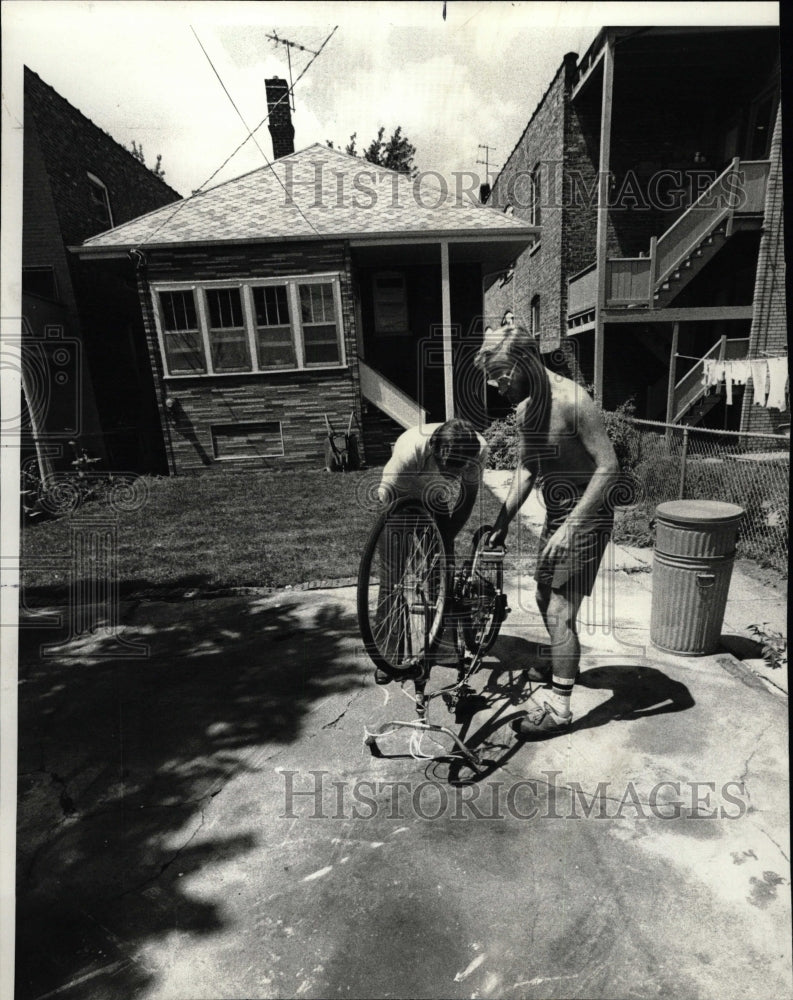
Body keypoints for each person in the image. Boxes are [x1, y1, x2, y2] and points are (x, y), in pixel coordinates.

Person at [473, 323, 619, 737]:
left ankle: (560, 707)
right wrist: (501, 523)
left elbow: (609, 468)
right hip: (559, 512)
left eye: (501, 373)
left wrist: (572, 527)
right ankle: (562, 657)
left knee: (559, 608)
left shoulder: (574, 401)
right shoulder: (526, 409)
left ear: (526, 362)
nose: (495, 383)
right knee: (542, 595)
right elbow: (528, 466)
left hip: (588, 512)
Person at [373, 418, 489, 684]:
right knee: (392, 579)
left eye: (456, 470)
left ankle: (443, 648)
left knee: (441, 572)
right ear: (434, 452)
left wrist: (444, 538)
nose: (451, 475)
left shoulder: (477, 450)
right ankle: (389, 656)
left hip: (435, 499)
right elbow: (388, 501)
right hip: (399, 496)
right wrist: (405, 539)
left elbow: (466, 497)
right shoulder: (408, 449)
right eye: (445, 467)